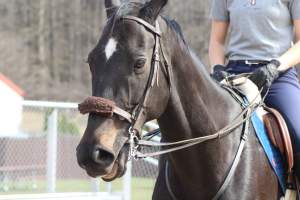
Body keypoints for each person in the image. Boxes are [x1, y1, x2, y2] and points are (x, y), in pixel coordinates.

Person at [209, 0, 300, 180]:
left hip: (278, 75)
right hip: (234, 75)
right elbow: (216, 41)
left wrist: (275, 67)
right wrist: (217, 69)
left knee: (299, 132)